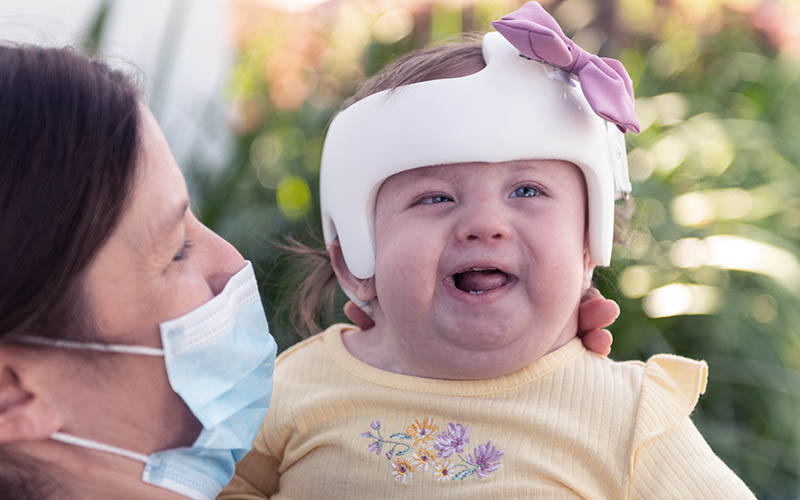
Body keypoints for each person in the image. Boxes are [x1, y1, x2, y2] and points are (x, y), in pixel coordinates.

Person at [0, 39, 615, 499]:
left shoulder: (623, 418)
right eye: (174, 251)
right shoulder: (304, 398)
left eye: (529, 192)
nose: (232, 265)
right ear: (13, 391)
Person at [219, 2, 756, 499]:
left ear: (588, 245)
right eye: (434, 197)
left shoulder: (629, 418)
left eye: (527, 191)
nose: (482, 225)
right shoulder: (296, 388)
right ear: (355, 262)